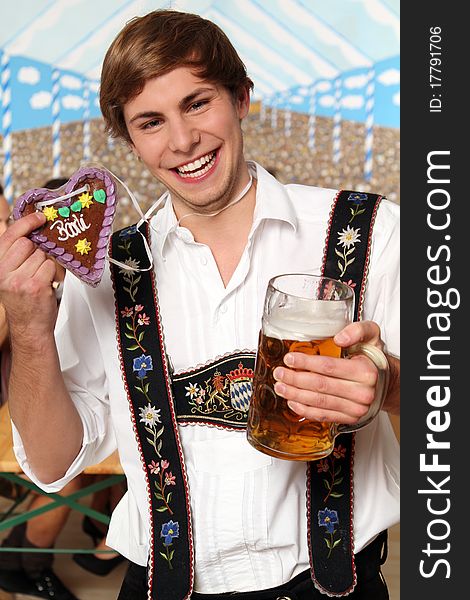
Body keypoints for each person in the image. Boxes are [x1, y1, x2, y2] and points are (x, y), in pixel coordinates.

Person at [0, 10, 400, 600]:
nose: (182, 141)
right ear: (129, 139)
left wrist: (386, 387)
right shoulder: (109, 272)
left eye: (197, 103)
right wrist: (31, 330)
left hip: (334, 585)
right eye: (150, 122)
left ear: (241, 99)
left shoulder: (368, 232)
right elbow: (56, 463)